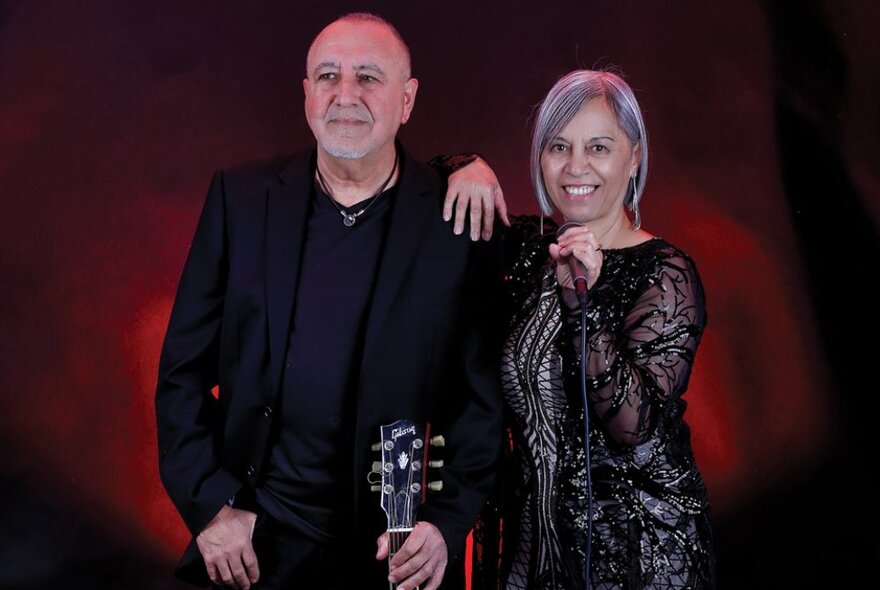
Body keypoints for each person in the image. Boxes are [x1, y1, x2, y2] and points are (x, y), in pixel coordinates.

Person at [155, 12, 505, 590]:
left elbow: (479, 405)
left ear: (407, 99)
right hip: (255, 543)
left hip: (389, 553)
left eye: (369, 77)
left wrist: (445, 525)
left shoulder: (456, 222)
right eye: (327, 76)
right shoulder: (239, 200)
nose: (346, 95)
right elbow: (181, 375)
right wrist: (212, 509)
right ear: (306, 93)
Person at [470, 69, 716, 589]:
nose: (575, 166)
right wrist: (467, 169)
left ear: (634, 157)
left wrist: (585, 303)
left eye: (598, 147)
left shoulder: (666, 272)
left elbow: (634, 425)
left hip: (635, 559)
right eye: (558, 146)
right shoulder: (526, 250)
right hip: (533, 552)